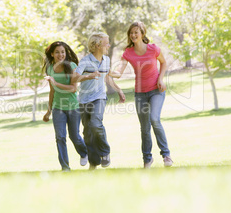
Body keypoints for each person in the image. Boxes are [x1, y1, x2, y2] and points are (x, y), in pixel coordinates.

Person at [111, 22, 173, 168]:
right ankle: (147, 159)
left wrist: (161, 79)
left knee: (154, 119)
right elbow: (119, 73)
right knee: (144, 127)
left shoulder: (153, 49)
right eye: (131, 33)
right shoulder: (128, 52)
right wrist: (107, 71)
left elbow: (163, 63)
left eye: (136, 32)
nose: (133, 35)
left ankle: (166, 155)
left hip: (156, 90)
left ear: (142, 34)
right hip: (140, 93)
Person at [71, 33, 125, 170]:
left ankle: (105, 152)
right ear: (97, 45)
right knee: (87, 132)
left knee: (95, 123)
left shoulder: (106, 60)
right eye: (106, 43)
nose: (109, 45)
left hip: (99, 98)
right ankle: (93, 162)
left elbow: (107, 77)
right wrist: (89, 76)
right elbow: (74, 78)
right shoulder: (85, 61)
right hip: (84, 100)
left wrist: (119, 90)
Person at [42, 41, 88, 172]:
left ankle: (84, 153)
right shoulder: (50, 68)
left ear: (66, 53)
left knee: (74, 136)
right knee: (60, 137)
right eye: (57, 52)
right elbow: (52, 91)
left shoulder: (72, 66)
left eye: (62, 52)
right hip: (58, 108)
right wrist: (48, 111)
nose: (60, 54)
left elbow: (73, 89)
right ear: (52, 54)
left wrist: (56, 83)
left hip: (73, 107)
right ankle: (65, 167)